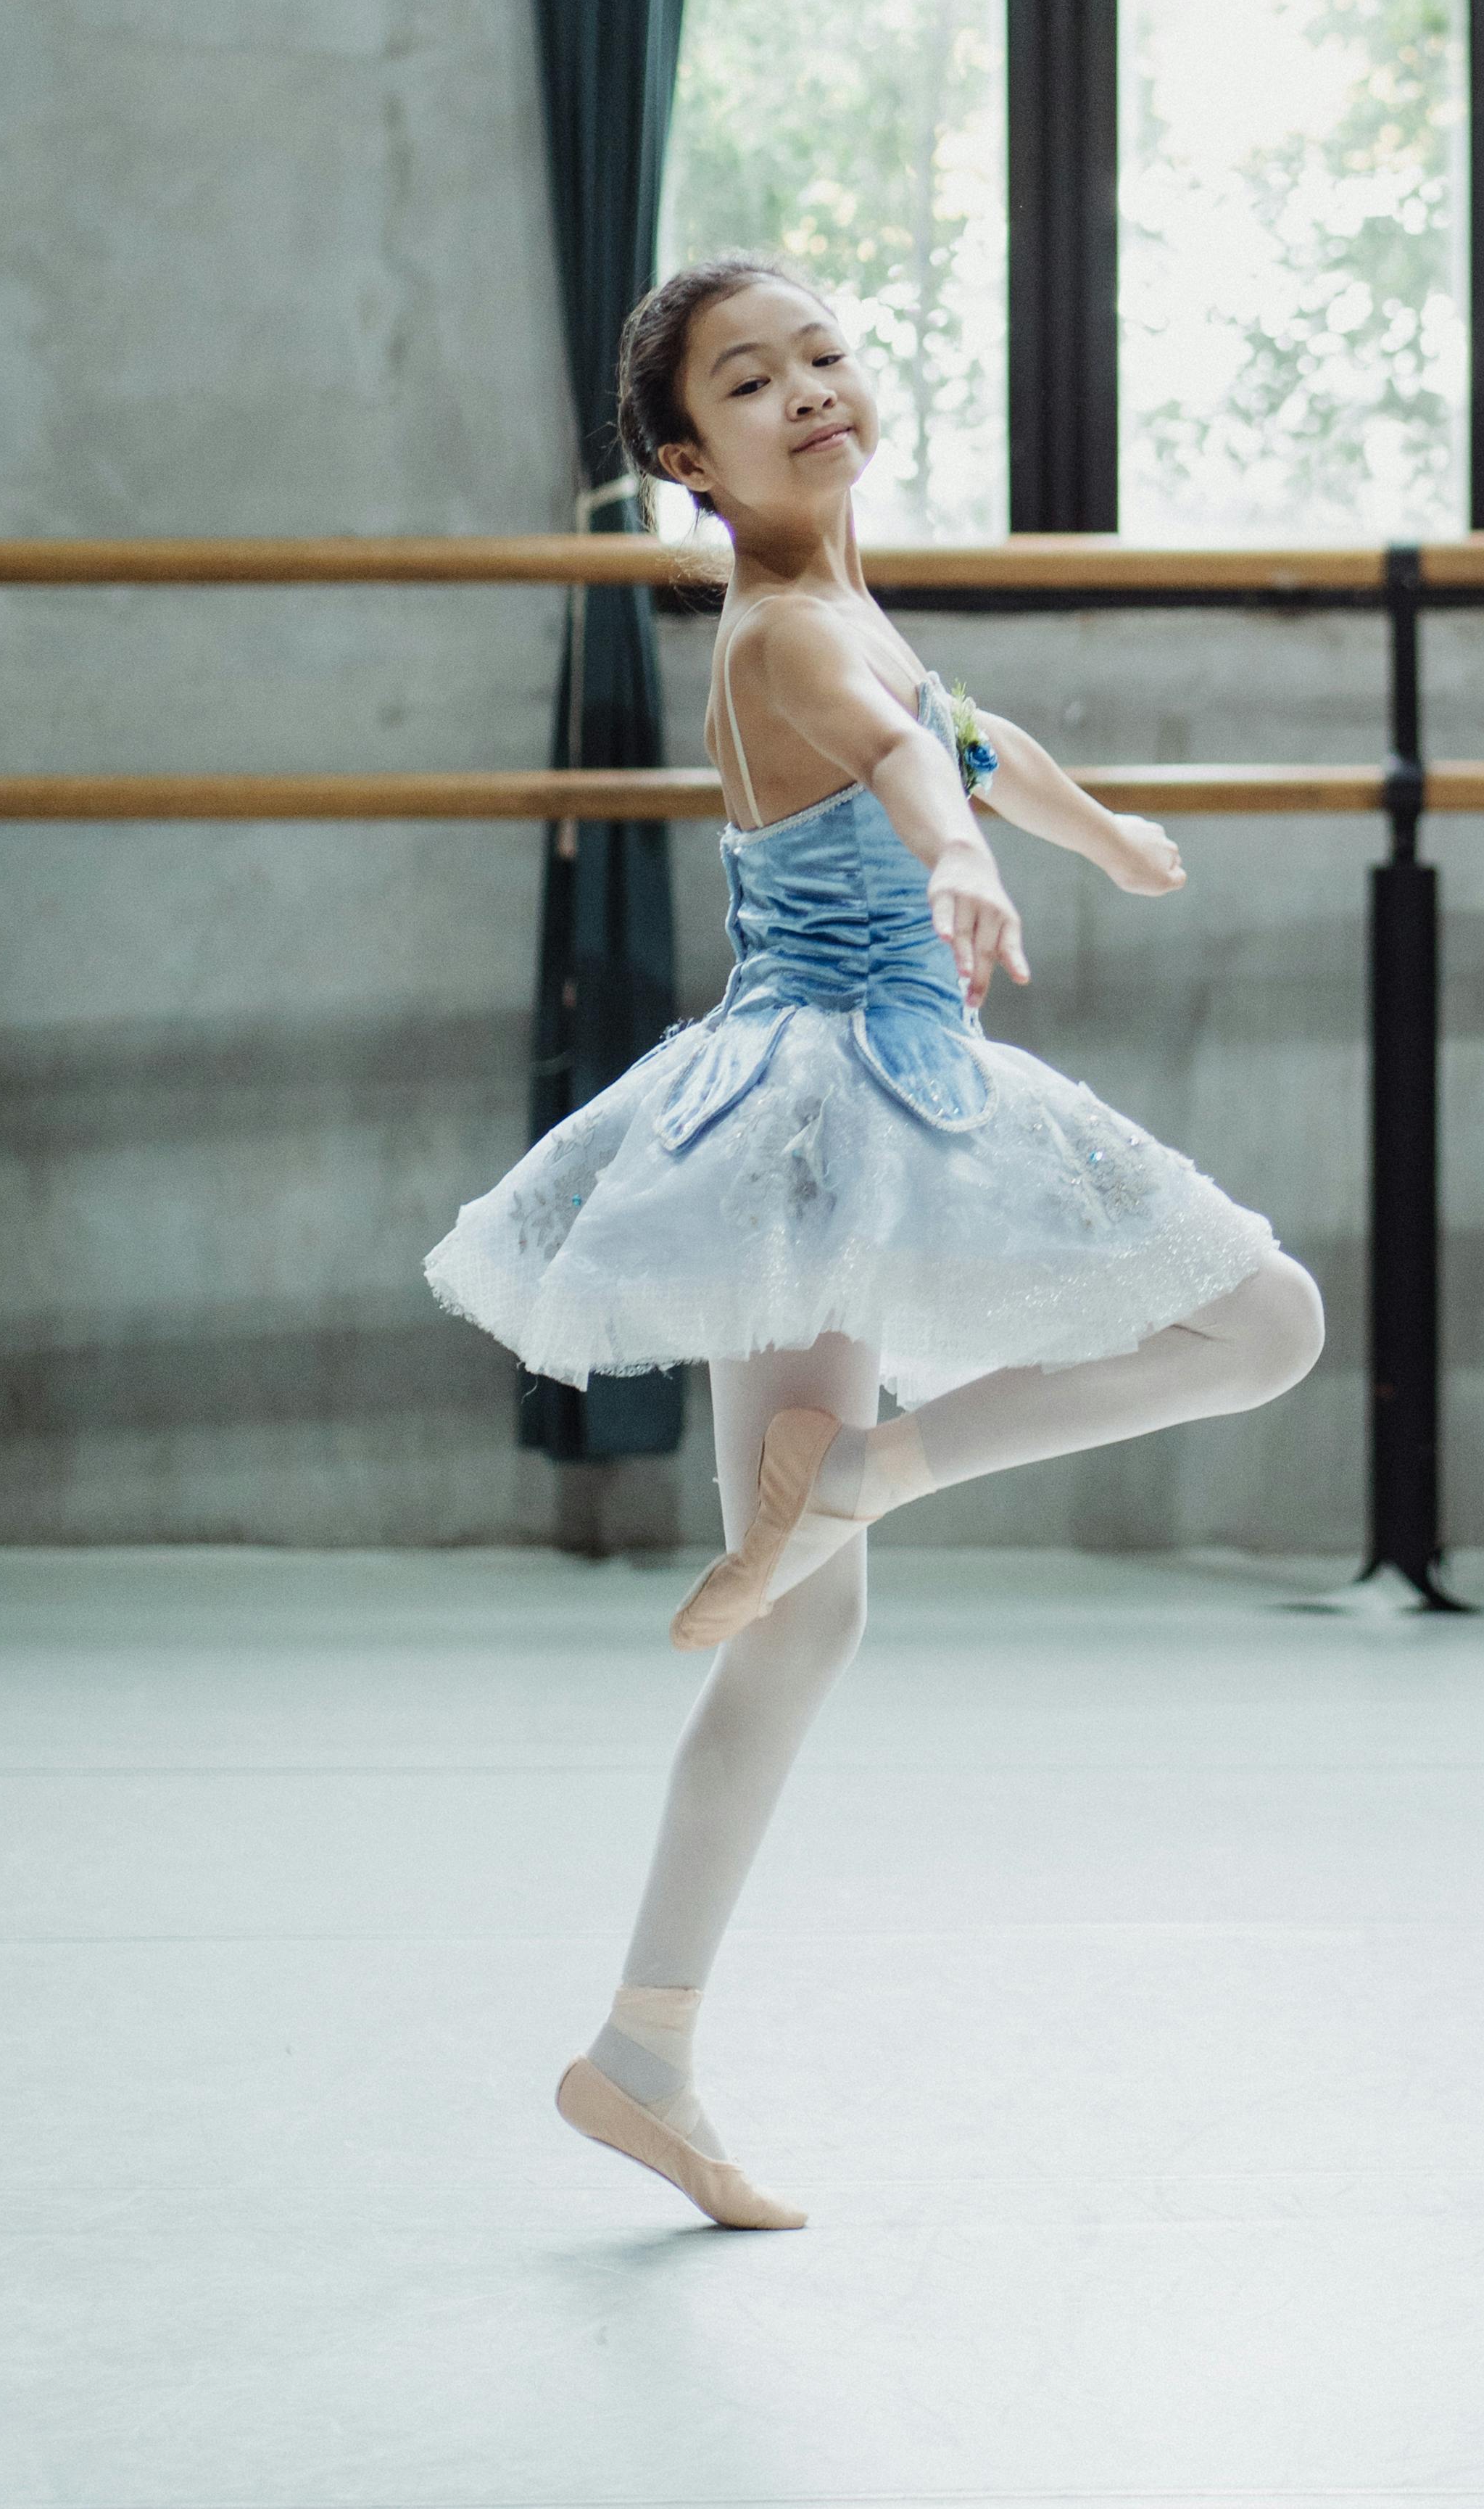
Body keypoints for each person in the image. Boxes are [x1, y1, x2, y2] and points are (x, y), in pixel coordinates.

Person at [424, 255, 1324, 2229]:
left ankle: (642, 2051)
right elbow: (918, 762)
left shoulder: (828, 595)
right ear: (689, 457)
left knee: (804, 1610)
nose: (813, 389)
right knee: (1265, 1321)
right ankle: (888, 1471)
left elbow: (959, 726)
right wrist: (976, 857)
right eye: (755, 382)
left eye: (826, 351)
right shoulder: (786, 636)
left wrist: (1086, 831)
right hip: (857, 1095)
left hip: (783, 1120)